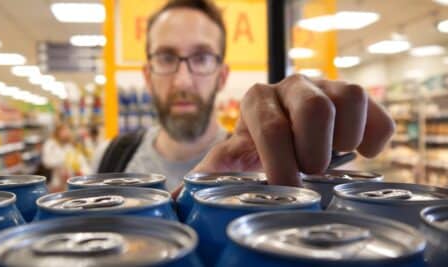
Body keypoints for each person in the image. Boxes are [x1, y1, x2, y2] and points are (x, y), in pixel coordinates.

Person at [97, 0, 395, 194]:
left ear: (222, 75)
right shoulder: (110, 160)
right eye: (165, 57)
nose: (183, 79)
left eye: (201, 58)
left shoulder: (263, 161)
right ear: (147, 75)